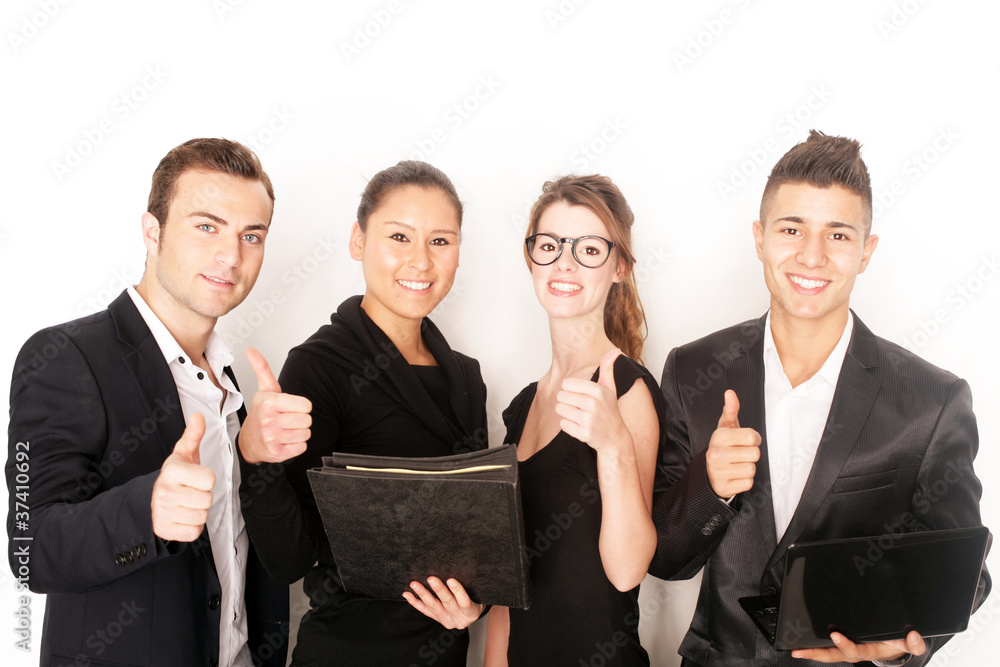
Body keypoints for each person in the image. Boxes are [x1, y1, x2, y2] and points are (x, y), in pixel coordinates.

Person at [648, 130, 990, 666]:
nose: (812, 256)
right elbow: (665, 560)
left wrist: (895, 647)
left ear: (866, 252)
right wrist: (709, 488)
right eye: (792, 229)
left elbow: (963, 571)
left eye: (838, 235)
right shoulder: (693, 371)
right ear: (759, 239)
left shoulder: (934, 402)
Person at [6, 138, 289, 667]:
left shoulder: (232, 383)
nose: (231, 256)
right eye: (207, 226)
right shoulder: (65, 356)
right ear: (152, 232)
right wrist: (147, 511)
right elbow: (30, 549)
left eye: (251, 235)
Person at [237, 160, 489, 666]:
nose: (420, 261)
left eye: (440, 241)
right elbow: (290, 559)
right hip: (347, 650)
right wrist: (254, 457)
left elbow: (475, 532)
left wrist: (475, 603)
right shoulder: (320, 366)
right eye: (399, 237)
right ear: (358, 241)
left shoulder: (465, 377)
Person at [466, 175, 662, 666]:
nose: (565, 263)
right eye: (550, 245)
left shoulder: (627, 389)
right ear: (531, 257)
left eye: (589, 249)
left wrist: (614, 446)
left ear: (619, 267)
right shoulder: (522, 406)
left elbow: (627, 571)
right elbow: (511, 583)